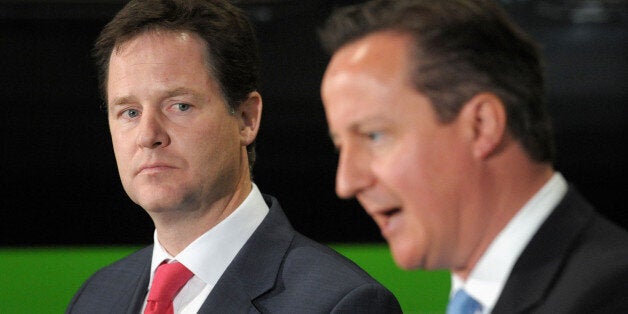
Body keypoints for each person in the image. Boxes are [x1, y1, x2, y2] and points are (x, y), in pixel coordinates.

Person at [67, 0, 401, 313]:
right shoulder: (96, 297)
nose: (148, 135)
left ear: (246, 118)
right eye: (129, 112)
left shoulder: (340, 304)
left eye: (179, 105)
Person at [319, 0, 628, 313]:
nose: (346, 183)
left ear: (482, 126)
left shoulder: (611, 295)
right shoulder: (478, 299)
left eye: (374, 135)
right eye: (340, 145)